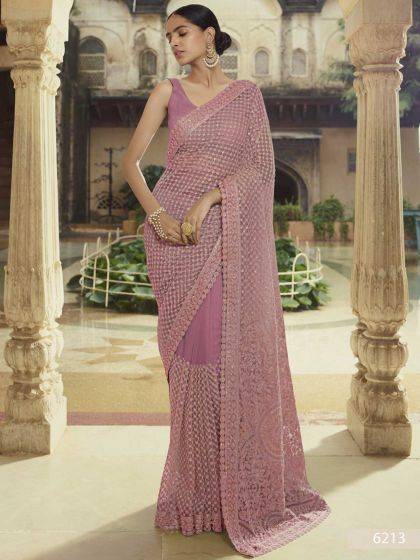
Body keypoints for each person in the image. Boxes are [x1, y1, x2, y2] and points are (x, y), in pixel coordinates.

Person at [121, 4, 331, 557]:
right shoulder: (167, 92)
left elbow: (260, 170)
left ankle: (232, 491)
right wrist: (159, 217)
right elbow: (131, 164)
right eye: (169, 35)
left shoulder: (246, 96)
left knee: (224, 361)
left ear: (209, 35)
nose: (174, 42)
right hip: (176, 243)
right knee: (191, 364)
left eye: (182, 33)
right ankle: (194, 497)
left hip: (226, 237)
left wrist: (213, 197)